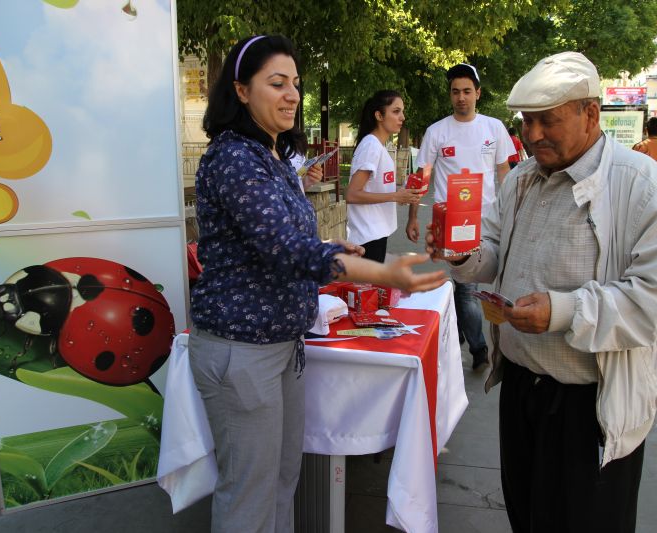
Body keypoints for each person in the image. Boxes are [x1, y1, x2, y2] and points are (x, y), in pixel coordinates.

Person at [190, 34, 446, 533]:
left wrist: (340, 250)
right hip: (241, 350)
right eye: (277, 83)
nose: (292, 95)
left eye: (296, 84)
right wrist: (381, 272)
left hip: (281, 344)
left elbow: (285, 240)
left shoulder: (272, 155)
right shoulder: (234, 158)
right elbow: (285, 249)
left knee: (283, 479)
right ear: (241, 91)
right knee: (249, 493)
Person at [427, 52, 657, 532]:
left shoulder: (644, 188)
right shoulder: (522, 180)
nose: (531, 135)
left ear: (590, 114)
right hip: (522, 391)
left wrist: (564, 311)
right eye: (527, 121)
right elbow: (493, 252)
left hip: (589, 405)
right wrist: (459, 253)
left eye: (547, 120)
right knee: (526, 516)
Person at [406, 62, 516, 370]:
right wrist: (412, 217)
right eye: (456, 92)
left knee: (471, 288)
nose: (461, 97)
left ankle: (464, 338)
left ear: (478, 93)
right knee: (466, 288)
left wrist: (509, 212)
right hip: (451, 224)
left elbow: (504, 172)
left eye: (467, 91)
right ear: (450, 95)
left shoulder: (493, 128)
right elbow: (423, 175)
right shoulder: (437, 132)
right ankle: (479, 350)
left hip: (488, 221)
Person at [345, 90, 423, 263]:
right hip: (367, 237)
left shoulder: (379, 146)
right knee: (369, 289)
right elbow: (351, 194)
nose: (402, 117)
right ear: (379, 115)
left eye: (402, 111)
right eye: (396, 111)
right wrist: (395, 196)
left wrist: (401, 194)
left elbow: (374, 187)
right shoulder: (371, 146)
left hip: (376, 234)